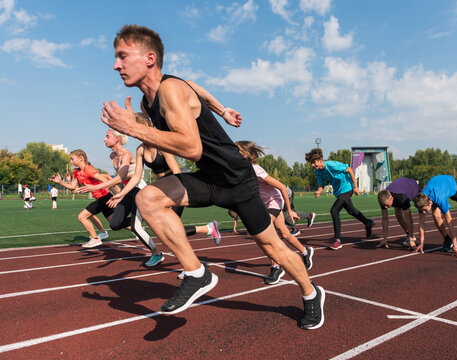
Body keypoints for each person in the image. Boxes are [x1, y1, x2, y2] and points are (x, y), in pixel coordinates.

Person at [100, 24, 324, 330]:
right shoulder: (148, 101)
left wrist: (133, 129)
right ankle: (196, 273)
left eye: (123, 56)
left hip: (237, 180)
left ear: (150, 58)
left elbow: (191, 147)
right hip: (209, 179)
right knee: (148, 198)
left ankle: (311, 294)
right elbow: (195, 86)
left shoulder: (171, 90)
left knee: (273, 247)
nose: (116, 65)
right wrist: (222, 109)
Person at [106, 113, 223, 268]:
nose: (131, 132)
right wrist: (121, 193)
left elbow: (176, 171)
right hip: (161, 189)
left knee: (172, 233)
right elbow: (136, 176)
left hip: (176, 186)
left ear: (145, 126)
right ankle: (207, 231)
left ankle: (194, 265)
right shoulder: (140, 149)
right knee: (168, 231)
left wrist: (181, 194)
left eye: (133, 127)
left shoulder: (162, 145)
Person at [79, 128, 166, 266]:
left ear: (117, 139)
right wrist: (118, 193)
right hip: (127, 190)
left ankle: (156, 253)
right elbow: (119, 179)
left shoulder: (127, 154)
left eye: (107, 136)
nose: (104, 139)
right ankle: (143, 219)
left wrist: (97, 187)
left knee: (137, 227)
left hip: (138, 189)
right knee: (115, 224)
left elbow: (120, 177)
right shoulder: (112, 157)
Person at [236, 140, 314, 285]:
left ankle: (275, 266)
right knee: (284, 234)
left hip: (275, 201)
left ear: (245, 155)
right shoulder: (242, 171)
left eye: (236, 152)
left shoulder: (256, 170)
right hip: (263, 204)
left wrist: (289, 210)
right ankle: (305, 252)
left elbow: (282, 187)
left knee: (265, 231)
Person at [305, 148, 375, 250]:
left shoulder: (332, 165)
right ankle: (368, 223)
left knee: (334, 210)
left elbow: (350, 169)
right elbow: (321, 184)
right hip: (338, 192)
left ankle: (337, 240)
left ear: (320, 159)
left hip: (347, 187)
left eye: (314, 162)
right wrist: (319, 191)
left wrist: (355, 186)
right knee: (351, 211)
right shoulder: (318, 172)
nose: (312, 165)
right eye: (311, 163)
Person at [50, 150, 111, 248]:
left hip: (105, 197)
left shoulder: (89, 170)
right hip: (101, 199)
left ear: (81, 159)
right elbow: (73, 189)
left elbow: (105, 180)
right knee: (116, 224)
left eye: (72, 159)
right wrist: (61, 182)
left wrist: (117, 192)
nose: (71, 161)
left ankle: (95, 238)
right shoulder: (76, 172)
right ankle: (135, 226)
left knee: (82, 216)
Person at [413, 174, 457, 258]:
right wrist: (421, 243)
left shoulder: (440, 199)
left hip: (449, 183)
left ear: (430, 203)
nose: (423, 212)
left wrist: (456, 245)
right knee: (436, 215)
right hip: (437, 184)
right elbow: (421, 223)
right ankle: (447, 240)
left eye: (424, 210)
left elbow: (449, 222)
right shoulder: (421, 199)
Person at [377, 177, 419, 249]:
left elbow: (409, 219)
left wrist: (411, 240)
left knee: (420, 206)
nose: (386, 207)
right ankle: (409, 234)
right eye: (384, 205)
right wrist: (385, 238)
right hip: (399, 189)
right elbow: (385, 218)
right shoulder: (382, 198)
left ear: (391, 199)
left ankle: (411, 237)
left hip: (412, 187)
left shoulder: (402, 198)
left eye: (387, 205)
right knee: (398, 215)